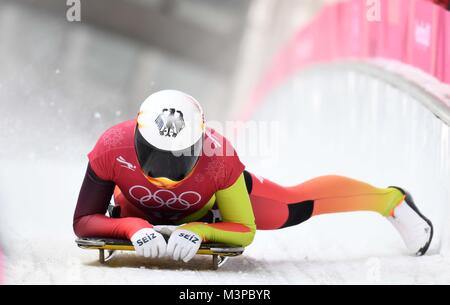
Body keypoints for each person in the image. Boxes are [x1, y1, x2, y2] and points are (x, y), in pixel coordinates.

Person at [73, 90, 433, 263]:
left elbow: (244, 229)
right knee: (123, 214)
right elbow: (82, 221)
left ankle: (391, 200)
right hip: (138, 210)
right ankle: (132, 217)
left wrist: (202, 230)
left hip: (211, 203)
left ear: (199, 143)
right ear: (136, 136)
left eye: (177, 159)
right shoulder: (110, 148)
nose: (165, 176)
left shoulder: (220, 157)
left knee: (293, 207)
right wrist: (130, 228)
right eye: (155, 157)